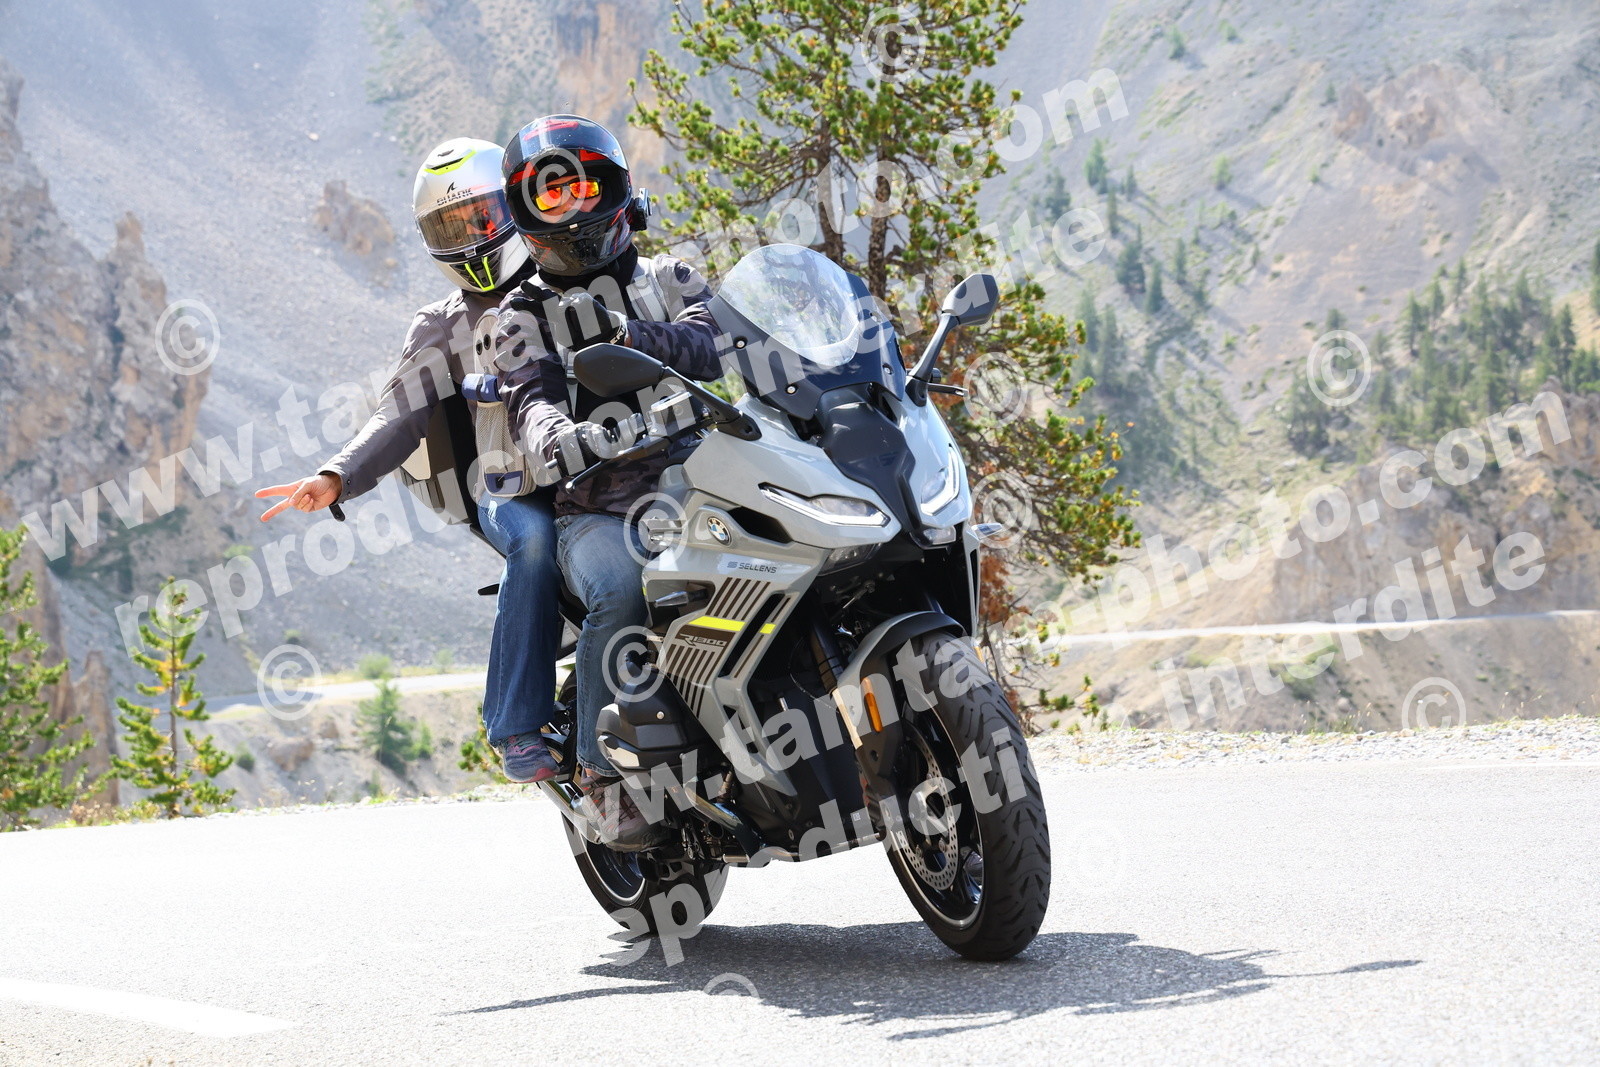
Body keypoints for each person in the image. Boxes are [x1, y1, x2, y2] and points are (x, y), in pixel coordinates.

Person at [255, 138, 563, 785]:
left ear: (511, 205)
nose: (470, 237)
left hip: (596, 461)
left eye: (480, 217)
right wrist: (336, 475)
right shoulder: (440, 325)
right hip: (510, 486)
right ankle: (515, 725)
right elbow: (398, 414)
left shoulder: (566, 276)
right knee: (534, 542)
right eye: (450, 228)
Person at [491, 114, 724, 846]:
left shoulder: (668, 277)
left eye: (583, 186)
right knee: (622, 588)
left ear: (614, 188)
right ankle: (602, 776)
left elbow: (715, 343)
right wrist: (557, 437)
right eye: (551, 194)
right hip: (596, 508)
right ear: (527, 212)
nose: (571, 205)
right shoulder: (523, 312)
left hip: (706, 477)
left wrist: (626, 335)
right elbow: (529, 399)